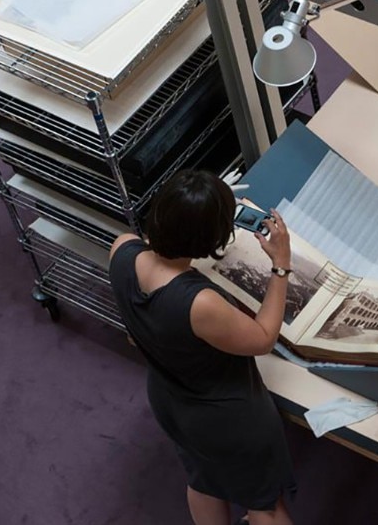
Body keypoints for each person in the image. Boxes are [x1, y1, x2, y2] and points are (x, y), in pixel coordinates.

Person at [108, 169, 295, 525]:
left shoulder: (121, 249)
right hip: (226, 419)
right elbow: (264, 337)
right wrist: (281, 266)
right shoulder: (200, 304)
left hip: (170, 400)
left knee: (203, 480)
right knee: (264, 502)